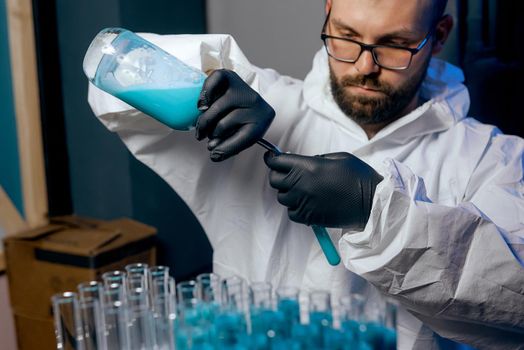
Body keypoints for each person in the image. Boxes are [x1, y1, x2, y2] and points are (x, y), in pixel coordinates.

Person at [88, 0, 524, 348]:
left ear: (439, 35)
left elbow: (512, 300)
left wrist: (377, 213)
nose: (364, 67)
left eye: (395, 44)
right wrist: (202, 82)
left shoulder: (493, 158)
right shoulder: (266, 104)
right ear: (328, 12)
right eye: (347, 37)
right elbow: (109, 77)